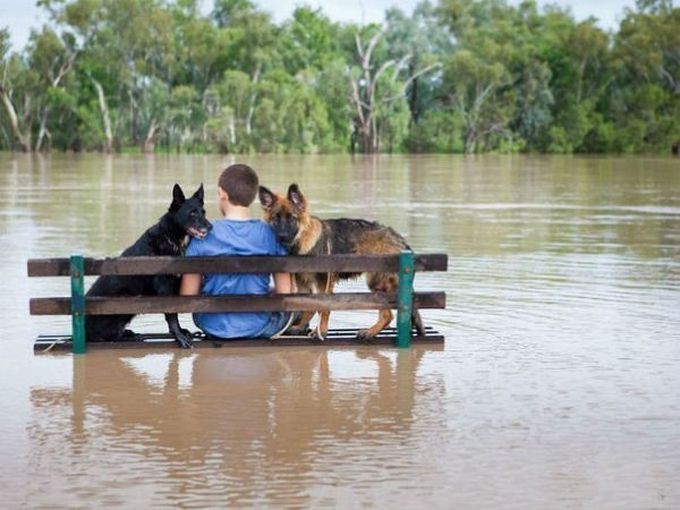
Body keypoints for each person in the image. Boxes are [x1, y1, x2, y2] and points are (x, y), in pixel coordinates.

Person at [179, 163, 293, 339]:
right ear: (254, 196)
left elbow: (188, 296)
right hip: (259, 326)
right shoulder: (271, 234)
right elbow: (285, 293)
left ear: (221, 194)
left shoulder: (202, 236)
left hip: (212, 325)